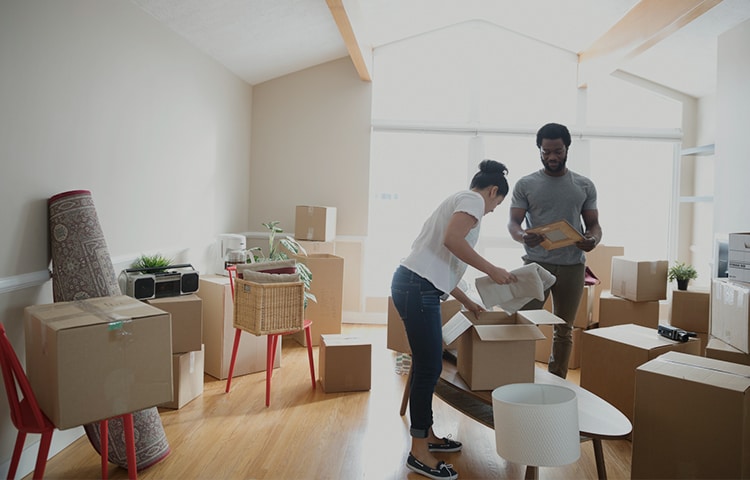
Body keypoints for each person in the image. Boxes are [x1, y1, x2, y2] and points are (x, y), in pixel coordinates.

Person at [391, 159, 517, 480]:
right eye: (496, 204)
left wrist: (469, 301)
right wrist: (493, 270)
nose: (491, 211)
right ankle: (418, 452)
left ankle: (427, 435)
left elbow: (443, 263)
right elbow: (453, 241)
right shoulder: (473, 200)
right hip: (418, 287)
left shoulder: (459, 200)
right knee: (430, 366)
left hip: (416, 284)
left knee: (425, 363)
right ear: (492, 191)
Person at [507, 122, 602, 379]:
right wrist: (523, 237)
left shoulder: (584, 185)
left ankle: (557, 380)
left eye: (557, 151)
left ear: (567, 148)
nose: (552, 157)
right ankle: (519, 376)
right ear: (539, 149)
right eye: (546, 151)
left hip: (572, 266)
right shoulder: (525, 184)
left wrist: (592, 239)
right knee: (525, 324)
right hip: (536, 265)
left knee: (564, 328)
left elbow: (593, 225)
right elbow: (514, 224)